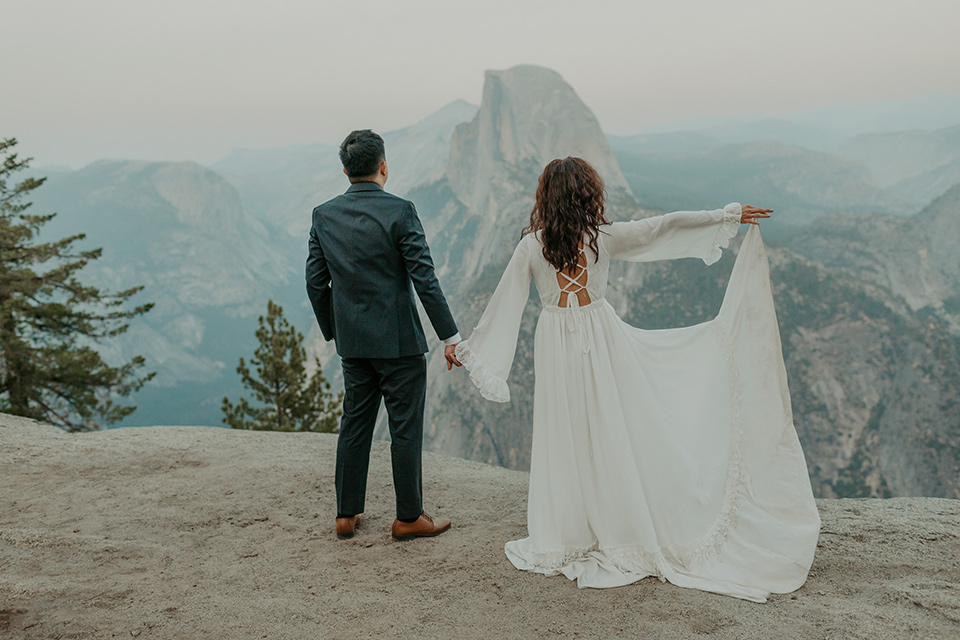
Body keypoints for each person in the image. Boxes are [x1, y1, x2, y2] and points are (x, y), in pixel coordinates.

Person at [452, 157, 820, 602]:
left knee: (566, 433)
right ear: (587, 194)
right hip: (601, 335)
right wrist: (725, 216)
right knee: (613, 429)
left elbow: (503, 307)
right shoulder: (602, 238)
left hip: (555, 343)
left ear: (545, 197)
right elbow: (661, 228)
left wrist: (468, 349)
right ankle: (619, 521)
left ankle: (573, 527)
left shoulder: (532, 246)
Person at [306, 129, 462, 541]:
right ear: (384, 167)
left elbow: (314, 282)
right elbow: (423, 278)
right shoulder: (401, 211)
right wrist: (450, 336)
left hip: (354, 344)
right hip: (400, 344)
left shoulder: (323, 215)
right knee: (404, 427)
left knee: (355, 421)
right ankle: (408, 516)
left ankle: (346, 513)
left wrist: (336, 331)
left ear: (345, 170)